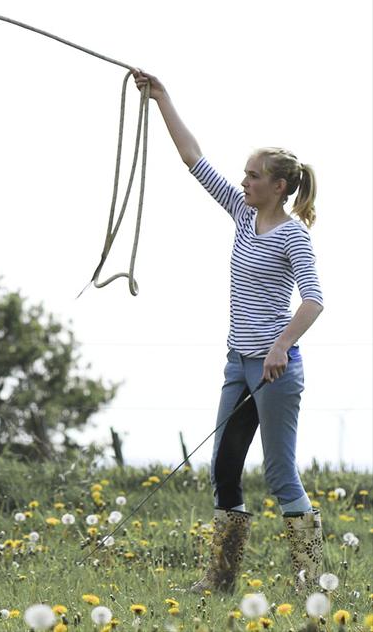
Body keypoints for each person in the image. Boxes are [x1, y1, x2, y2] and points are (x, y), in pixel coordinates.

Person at [133, 69, 325, 594]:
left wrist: (282, 345)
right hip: (236, 363)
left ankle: (316, 590)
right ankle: (219, 582)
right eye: (244, 174)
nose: (244, 182)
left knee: (281, 476)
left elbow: (314, 301)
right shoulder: (243, 214)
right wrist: (161, 98)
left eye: (254, 175)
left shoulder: (293, 237)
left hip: (275, 369)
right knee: (224, 469)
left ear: (279, 186)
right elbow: (194, 159)